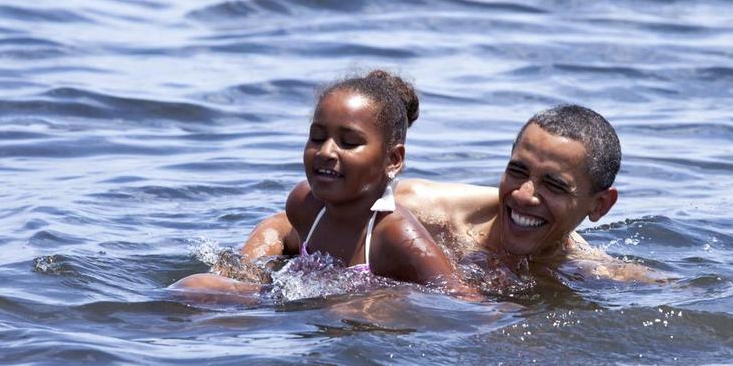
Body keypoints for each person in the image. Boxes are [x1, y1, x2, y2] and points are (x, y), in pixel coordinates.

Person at [241, 104, 653, 282]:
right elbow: (283, 227)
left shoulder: (588, 268)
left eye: (554, 185)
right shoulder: (424, 211)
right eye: (517, 171)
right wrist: (247, 277)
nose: (524, 195)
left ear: (600, 205)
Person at [174, 70, 469, 295]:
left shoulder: (395, 234)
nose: (326, 152)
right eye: (317, 137)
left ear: (393, 159)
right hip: (308, 329)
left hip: (368, 336)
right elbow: (276, 232)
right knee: (196, 288)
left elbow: (462, 299)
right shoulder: (306, 204)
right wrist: (248, 268)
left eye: (349, 142)